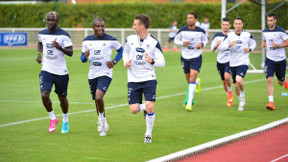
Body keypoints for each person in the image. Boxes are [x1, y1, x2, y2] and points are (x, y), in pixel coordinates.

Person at [123, 14, 165, 143]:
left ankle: (148, 134)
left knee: (150, 106)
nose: (133, 27)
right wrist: (126, 62)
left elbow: (162, 62)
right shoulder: (130, 39)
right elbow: (125, 52)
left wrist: (152, 61)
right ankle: (145, 108)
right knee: (134, 110)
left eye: (135, 25)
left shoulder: (153, 43)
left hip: (148, 78)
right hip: (133, 79)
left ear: (142, 26)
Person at [80, 18, 123, 136]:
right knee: (96, 100)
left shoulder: (111, 40)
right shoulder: (86, 41)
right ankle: (102, 120)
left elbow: (121, 51)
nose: (100, 28)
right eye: (97, 26)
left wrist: (114, 62)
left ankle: (103, 123)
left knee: (99, 97)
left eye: (102, 26)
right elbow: (82, 59)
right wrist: (85, 56)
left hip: (105, 73)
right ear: (93, 28)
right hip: (92, 74)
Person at [36, 11, 73, 133]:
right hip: (46, 70)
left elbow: (71, 52)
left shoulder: (64, 35)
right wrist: (39, 54)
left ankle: (65, 120)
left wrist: (60, 48)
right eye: (48, 20)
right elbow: (40, 43)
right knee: (44, 95)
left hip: (61, 72)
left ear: (57, 21)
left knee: (62, 99)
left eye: (52, 20)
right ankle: (53, 118)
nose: (50, 22)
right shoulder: (42, 34)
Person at [220, 17, 256, 111]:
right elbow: (222, 46)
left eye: (239, 23)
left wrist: (250, 49)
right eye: (236, 24)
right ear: (234, 25)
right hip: (232, 63)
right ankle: (241, 101)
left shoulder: (247, 35)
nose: (237, 25)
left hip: (243, 62)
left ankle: (243, 96)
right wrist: (229, 45)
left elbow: (253, 43)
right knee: (236, 86)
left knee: (239, 80)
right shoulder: (229, 35)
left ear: (242, 25)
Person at [174, 12, 208, 111]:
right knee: (189, 81)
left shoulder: (201, 31)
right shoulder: (182, 30)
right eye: (187, 18)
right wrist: (182, 43)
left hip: (196, 56)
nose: (189, 19)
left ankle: (189, 103)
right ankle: (197, 83)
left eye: (191, 18)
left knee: (192, 77)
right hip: (185, 57)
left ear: (195, 20)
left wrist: (201, 44)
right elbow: (176, 40)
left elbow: (205, 40)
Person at [261, 13, 288, 110]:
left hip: (280, 60)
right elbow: (265, 40)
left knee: (281, 81)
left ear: (275, 20)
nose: (269, 22)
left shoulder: (281, 31)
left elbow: (287, 42)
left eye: (271, 20)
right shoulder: (265, 31)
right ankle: (271, 103)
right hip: (270, 60)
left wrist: (278, 45)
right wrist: (263, 44)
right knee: (269, 79)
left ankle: (284, 81)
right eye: (268, 21)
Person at [211, 17, 233, 107]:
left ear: (229, 26)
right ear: (221, 25)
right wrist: (217, 44)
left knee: (227, 77)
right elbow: (212, 49)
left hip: (230, 60)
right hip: (220, 61)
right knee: (224, 81)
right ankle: (228, 96)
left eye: (227, 25)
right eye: (223, 25)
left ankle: (230, 92)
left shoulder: (233, 35)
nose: (225, 26)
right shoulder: (217, 36)